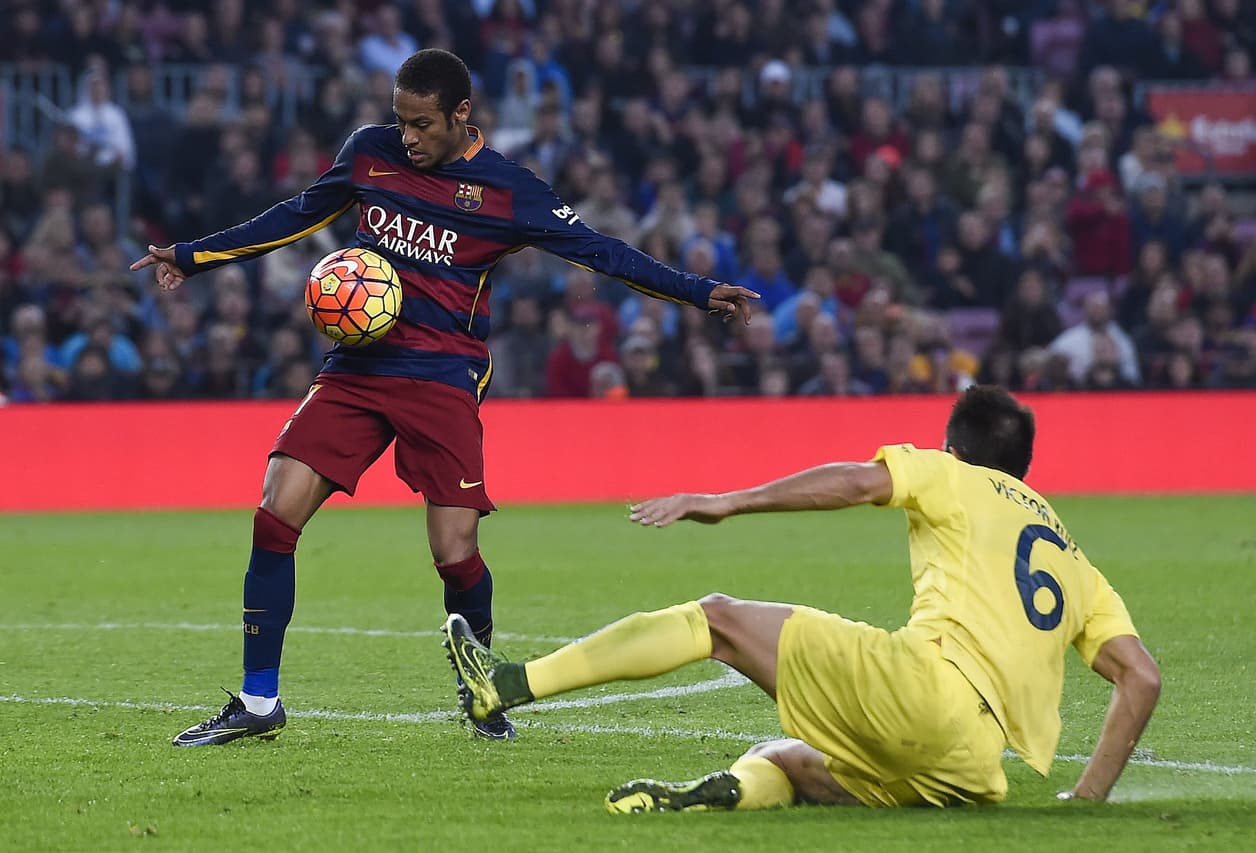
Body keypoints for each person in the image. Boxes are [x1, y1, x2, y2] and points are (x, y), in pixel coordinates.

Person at [131, 49, 757, 747]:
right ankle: (257, 700)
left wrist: (700, 291)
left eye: (422, 123)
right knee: (275, 512)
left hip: (442, 375)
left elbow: (602, 252)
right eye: (401, 121)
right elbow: (295, 216)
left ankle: (480, 687)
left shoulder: (509, 191)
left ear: (462, 114)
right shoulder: (369, 155)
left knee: (454, 552)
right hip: (358, 368)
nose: (408, 137)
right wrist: (190, 256)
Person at [446, 386, 1160, 810]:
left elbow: (856, 482)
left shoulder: (954, 475)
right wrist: (1085, 799)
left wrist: (727, 502)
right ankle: (721, 792)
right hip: (972, 767)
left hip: (923, 690)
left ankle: (504, 684)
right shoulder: (1073, 558)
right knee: (786, 756)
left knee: (719, 618)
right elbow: (1141, 676)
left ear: (953, 444)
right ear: (1024, 465)